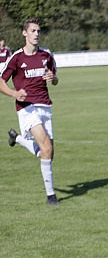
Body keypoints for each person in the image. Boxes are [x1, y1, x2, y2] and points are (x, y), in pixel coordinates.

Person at [0, 18, 60, 205]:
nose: (36, 34)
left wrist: (53, 78)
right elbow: (1, 81)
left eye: (38, 31)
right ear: (24, 33)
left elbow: (56, 79)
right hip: (27, 107)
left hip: (45, 105)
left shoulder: (46, 55)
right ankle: (51, 196)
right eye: (33, 31)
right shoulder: (17, 57)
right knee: (46, 149)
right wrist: (14, 93)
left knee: (48, 153)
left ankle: (17, 139)